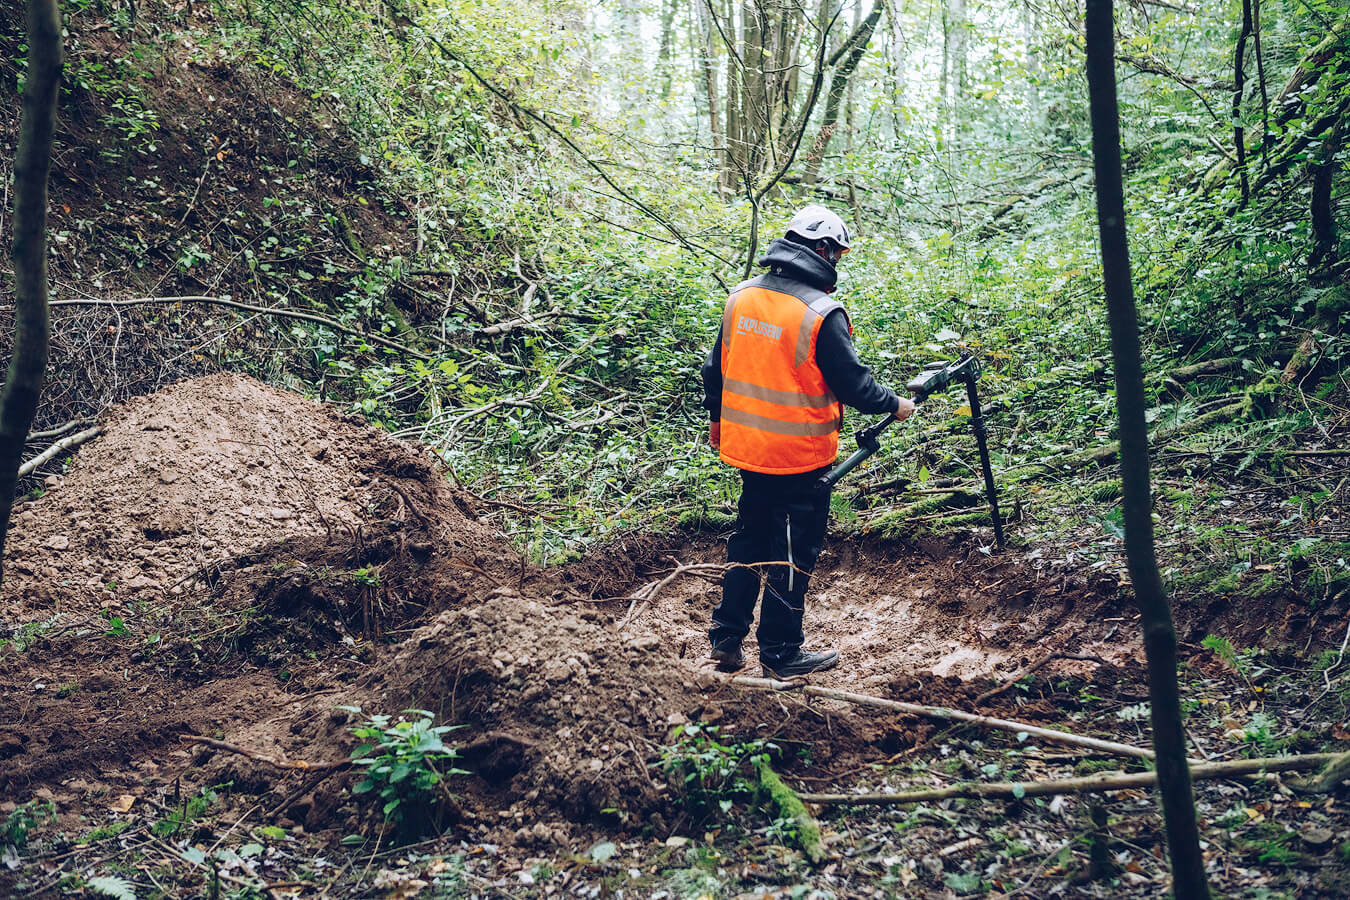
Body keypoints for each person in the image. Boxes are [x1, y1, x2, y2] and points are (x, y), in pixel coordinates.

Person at [700, 205, 915, 678]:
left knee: (749, 541)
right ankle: (780, 652)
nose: (837, 261)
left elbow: (714, 370)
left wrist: (719, 425)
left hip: (749, 452)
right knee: (792, 553)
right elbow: (855, 385)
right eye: (836, 252)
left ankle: (726, 639)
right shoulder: (821, 312)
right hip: (799, 459)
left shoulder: (741, 297)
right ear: (822, 250)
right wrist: (895, 403)